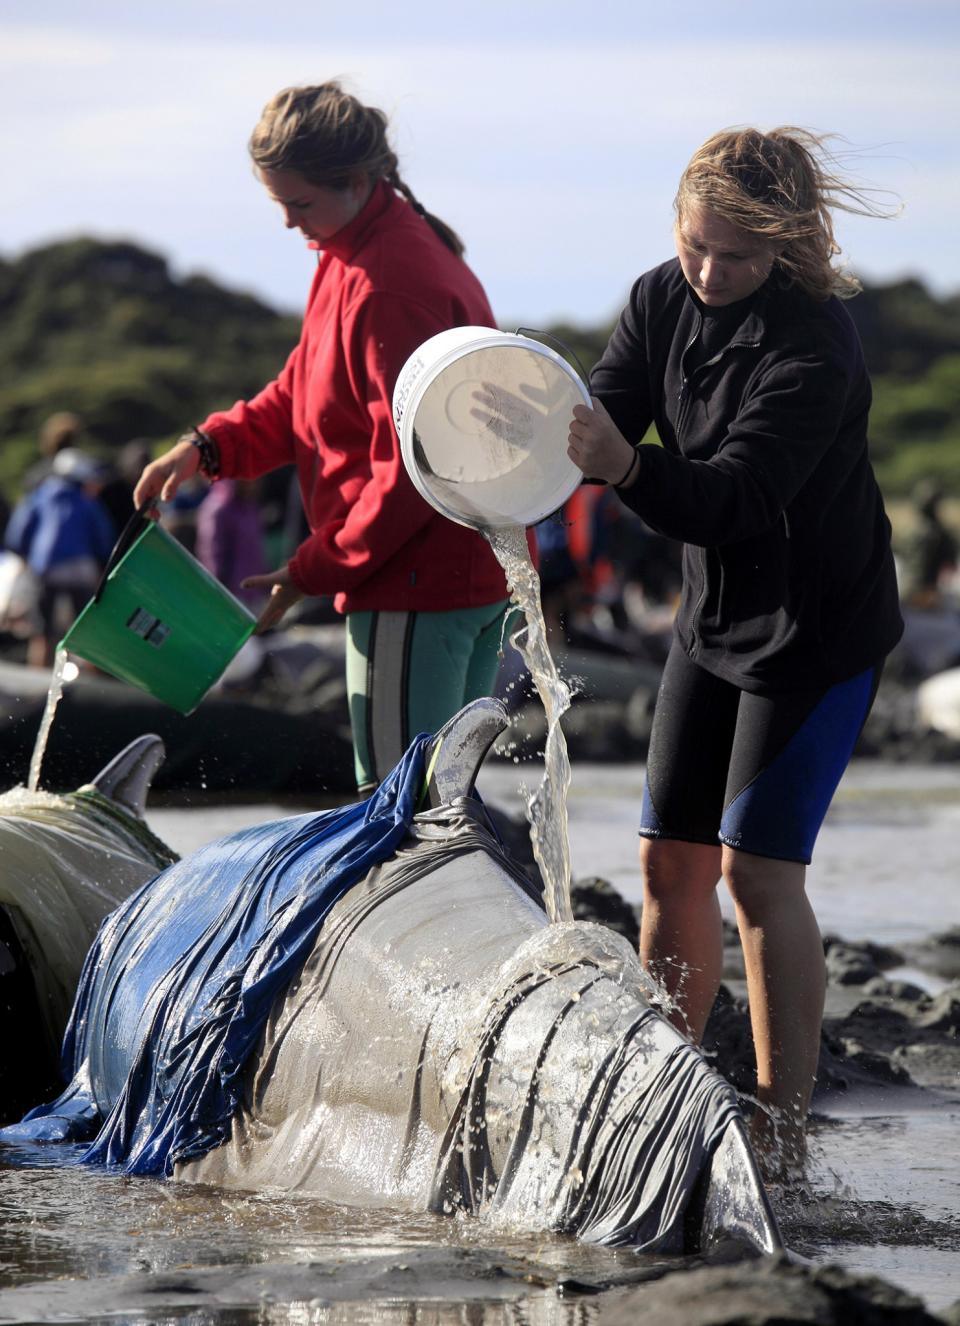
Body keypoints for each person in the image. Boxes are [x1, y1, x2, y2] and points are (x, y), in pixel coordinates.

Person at [566, 127, 903, 1178]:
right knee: (669, 857)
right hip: (712, 623)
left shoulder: (816, 344)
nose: (710, 274)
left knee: (760, 873)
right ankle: (667, 1091)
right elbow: (599, 413)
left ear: (792, 248)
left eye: (739, 258)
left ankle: (781, 1127)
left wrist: (623, 466)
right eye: (696, 246)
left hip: (818, 629)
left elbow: (742, 501)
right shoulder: (660, 298)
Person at [134, 82, 524, 792]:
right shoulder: (353, 249)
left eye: (300, 204)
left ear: (357, 180)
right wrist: (207, 446)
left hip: (417, 582)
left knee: (398, 810)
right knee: (439, 806)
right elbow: (304, 395)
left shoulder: (387, 281)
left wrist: (316, 566)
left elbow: (413, 467)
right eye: (277, 204)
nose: (288, 223)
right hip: (447, 574)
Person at [5, 448, 116, 666]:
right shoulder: (88, 502)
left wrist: (26, 556)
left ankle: (36, 680)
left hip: (45, 568)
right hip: (81, 570)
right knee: (85, 630)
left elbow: (17, 533)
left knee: (42, 631)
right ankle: (92, 683)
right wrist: (102, 562)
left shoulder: (39, 496)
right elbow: (103, 538)